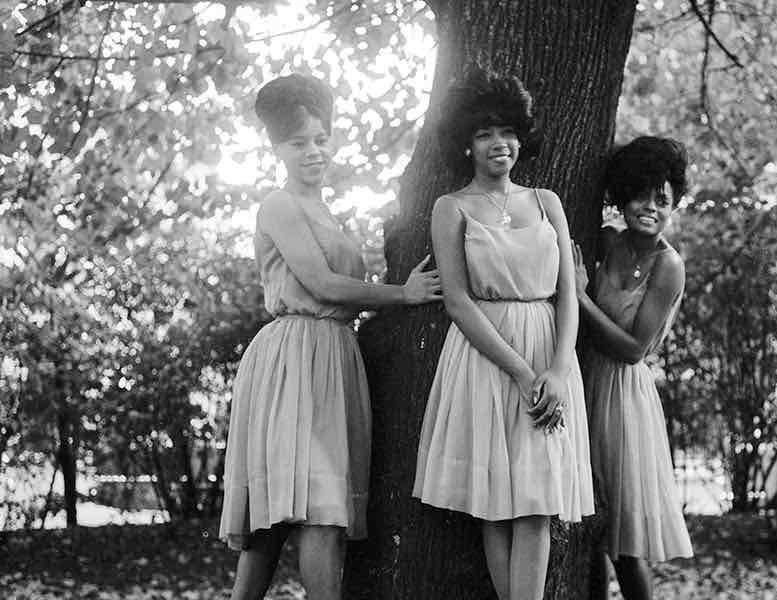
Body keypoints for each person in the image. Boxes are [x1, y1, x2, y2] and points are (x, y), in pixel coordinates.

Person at [218, 73, 441, 600]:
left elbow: (341, 288)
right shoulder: (278, 204)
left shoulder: (330, 213)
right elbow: (319, 283)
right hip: (292, 356)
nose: (314, 151)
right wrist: (402, 295)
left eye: (321, 139)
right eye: (299, 143)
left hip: (334, 354)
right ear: (277, 149)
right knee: (293, 515)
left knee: (318, 506)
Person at [412, 67, 594, 600]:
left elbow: (566, 292)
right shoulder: (451, 208)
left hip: (547, 345)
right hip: (485, 353)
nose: (500, 144)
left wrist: (557, 371)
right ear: (466, 144)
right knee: (495, 504)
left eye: (508, 132)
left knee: (536, 501)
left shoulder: (546, 201)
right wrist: (518, 371)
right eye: (485, 133)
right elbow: (458, 299)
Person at [572, 136, 694, 600]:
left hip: (624, 398)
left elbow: (632, 349)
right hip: (583, 385)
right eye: (640, 195)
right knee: (586, 528)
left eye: (662, 199)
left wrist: (581, 297)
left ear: (674, 203)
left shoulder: (669, 265)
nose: (650, 207)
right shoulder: (606, 241)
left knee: (624, 542)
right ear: (622, 199)